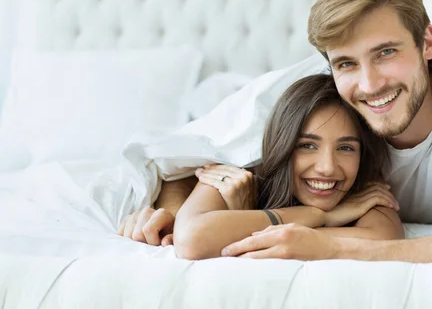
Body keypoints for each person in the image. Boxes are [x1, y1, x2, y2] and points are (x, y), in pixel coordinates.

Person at [122, 0, 432, 264]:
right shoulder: (316, 105)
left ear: (428, 43)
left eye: (386, 52)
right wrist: (168, 215)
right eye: (346, 62)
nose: (370, 83)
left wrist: (332, 248)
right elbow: (185, 159)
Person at [120, 74, 404, 259]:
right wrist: (320, 216)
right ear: (283, 145)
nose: (328, 168)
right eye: (306, 145)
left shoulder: (363, 190)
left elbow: (383, 238)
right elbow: (192, 237)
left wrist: (241, 220)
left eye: (346, 148)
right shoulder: (238, 173)